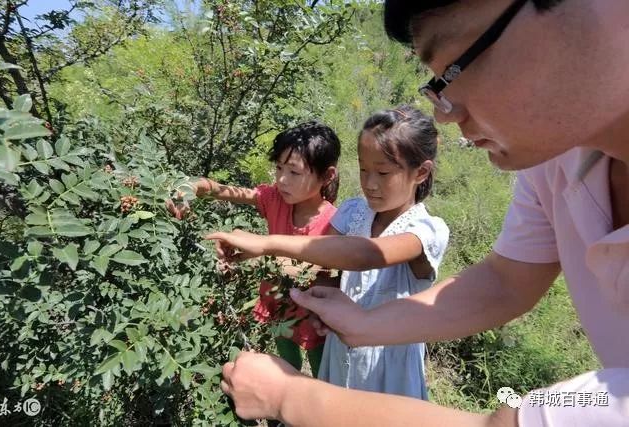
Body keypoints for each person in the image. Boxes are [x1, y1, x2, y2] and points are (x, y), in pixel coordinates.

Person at [214, 0, 629, 425]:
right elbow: (505, 282)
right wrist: (362, 325)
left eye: (453, 70)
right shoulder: (553, 161)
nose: (445, 114)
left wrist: (289, 398)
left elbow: (506, 422)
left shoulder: (426, 226)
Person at [209, 106, 449, 399]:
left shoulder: (426, 229)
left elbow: (366, 255)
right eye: (363, 169)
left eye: (383, 172)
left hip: (387, 364)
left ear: (421, 172)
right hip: (340, 349)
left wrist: (266, 243)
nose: (370, 183)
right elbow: (323, 266)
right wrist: (319, 300)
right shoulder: (353, 211)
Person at [167, 121, 341, 377]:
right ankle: (285, 405)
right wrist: (192, 187)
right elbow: (226, 191)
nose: (282, 179)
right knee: (286, 365)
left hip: (316, 319)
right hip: (278, 308)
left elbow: (325, 275)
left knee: (322, 374)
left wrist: (257, 256)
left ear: (327, 176)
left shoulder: (335, 222)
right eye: (279, 168)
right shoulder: (275, 199)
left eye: (294, 172)